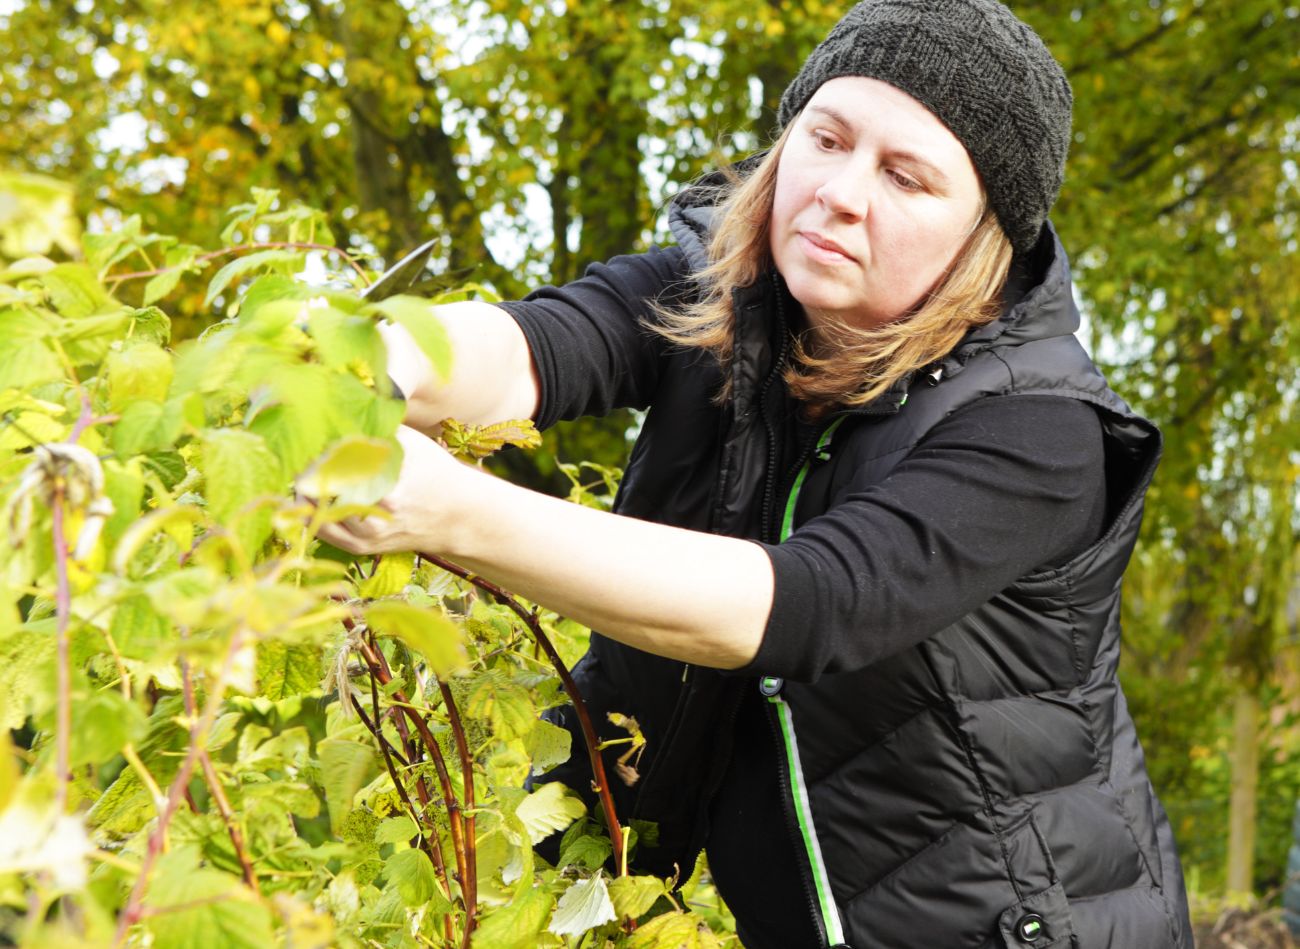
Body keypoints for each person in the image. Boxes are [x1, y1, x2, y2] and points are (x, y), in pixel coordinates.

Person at [317, 1, 1194, 945]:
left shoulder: (1042, 434)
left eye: (907, 176)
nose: (843, 191)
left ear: (983, 235)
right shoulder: (719, 300)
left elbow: (803, 604)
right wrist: (370, 364)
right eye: (828, 137)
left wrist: (449, 512)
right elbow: (540, 344)